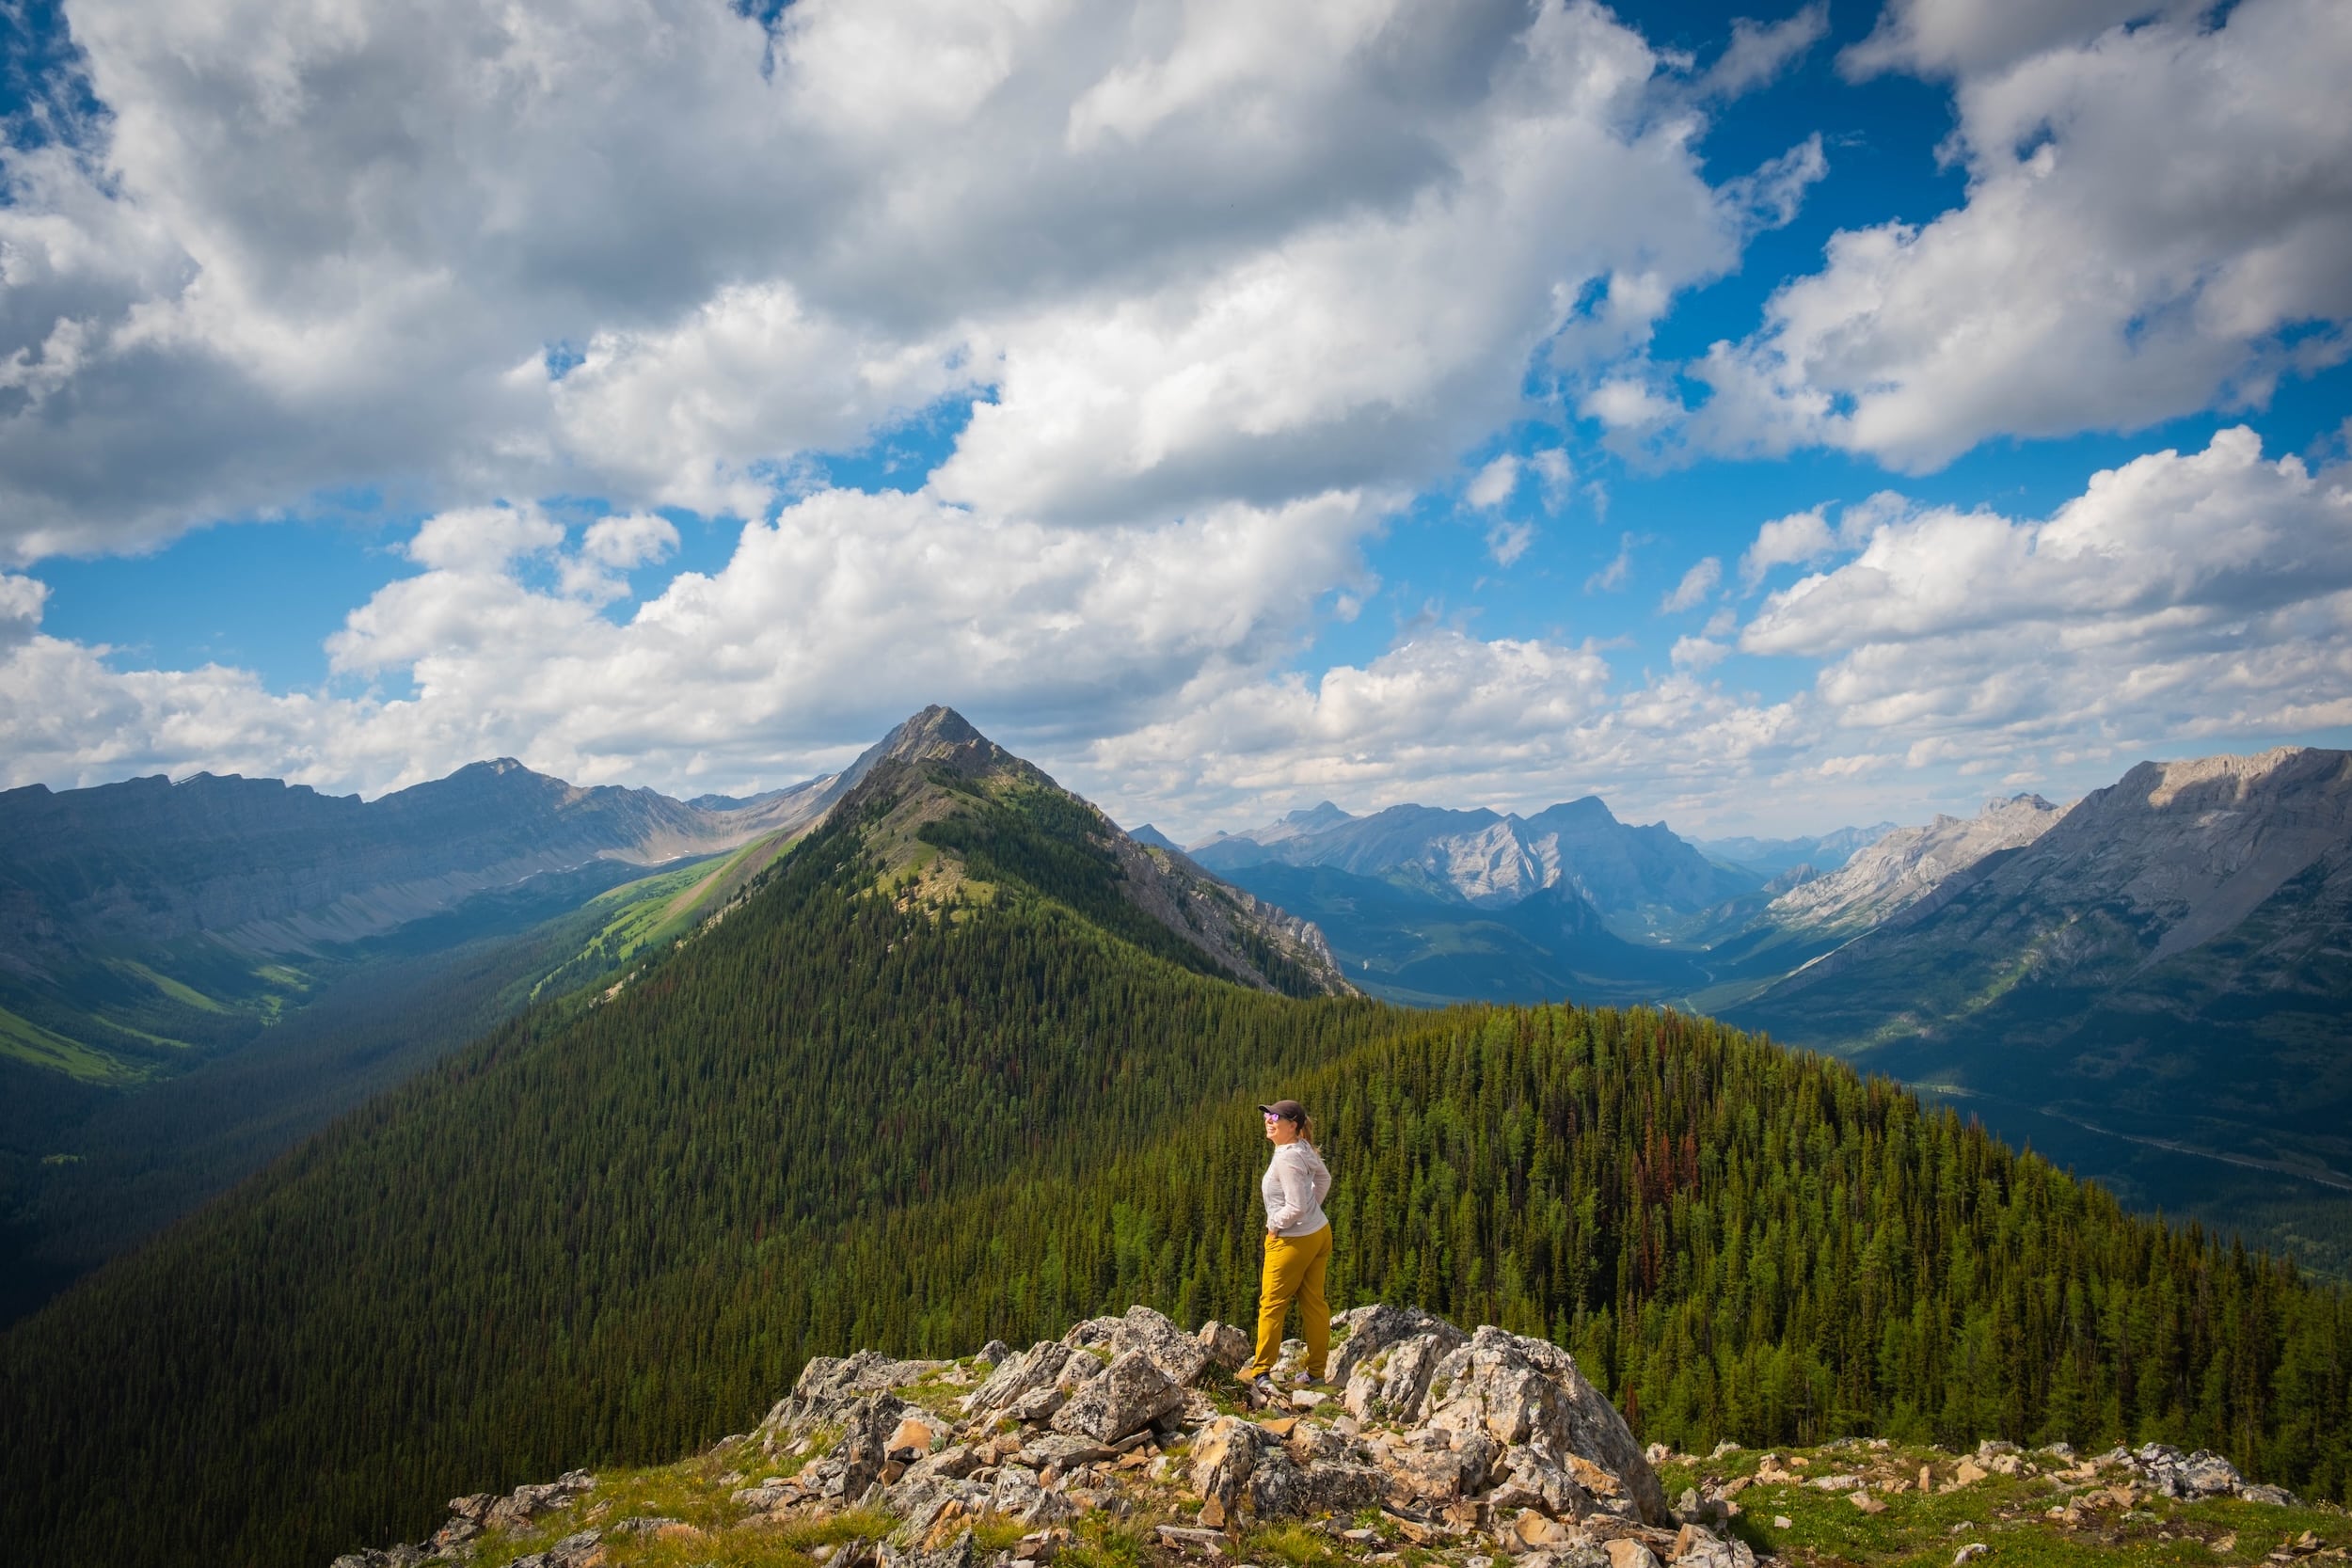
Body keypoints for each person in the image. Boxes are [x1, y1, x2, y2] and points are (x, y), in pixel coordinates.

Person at [1245, 1098, 1332, 1400]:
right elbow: (1323, 1178)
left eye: (1275, 1118)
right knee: (1315, 1303)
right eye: (1267, 1116)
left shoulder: (1287, 1158)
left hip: (1293, 1241)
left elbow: (1295, 1207)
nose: (1268, 1121)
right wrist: (1313, 1208)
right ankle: (1316, 1373)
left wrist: (1274, 1225)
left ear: (1292, 1125)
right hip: (1319, 1233)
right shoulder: (1301, 1147)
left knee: (1271, 1305)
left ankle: (1261, 1373)